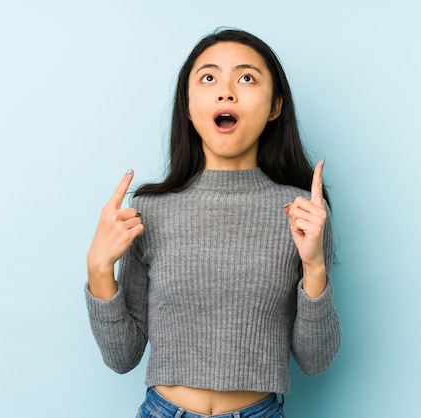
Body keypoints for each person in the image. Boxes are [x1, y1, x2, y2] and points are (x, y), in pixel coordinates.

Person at [85, 28, 341, 418]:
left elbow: (315, 360)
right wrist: (99, 268)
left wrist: (315, 266)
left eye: (246, 78)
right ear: (188, 107)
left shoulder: (304, 212)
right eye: (208, 78)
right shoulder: (150, 209)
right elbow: (123, 357)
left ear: (275, 107)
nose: (226, 92)